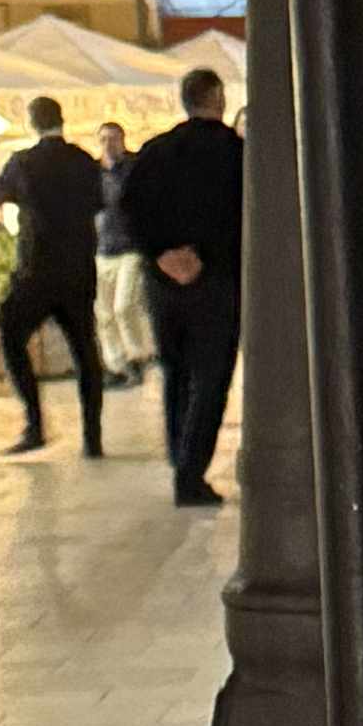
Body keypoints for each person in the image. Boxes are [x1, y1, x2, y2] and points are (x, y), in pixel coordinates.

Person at [119, 65, 245, 506]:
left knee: (175, 373)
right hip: (218, 280)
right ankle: (191, 474)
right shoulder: (236, 153)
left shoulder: (155, 152)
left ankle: (179, 458)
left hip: (163, 284)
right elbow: (243, 216)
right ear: (218, 98)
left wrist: (161, 255)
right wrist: (203, 259)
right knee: (211, 378)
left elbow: (128, 209)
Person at [0, 96, 107, 460]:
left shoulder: (24, 162)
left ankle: (35, 425)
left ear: (32, 123)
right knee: (85, 350)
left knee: (11, 337)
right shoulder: (84, 161)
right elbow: (100, 202)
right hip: (78, 269)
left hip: (36, 269)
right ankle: (92, 438)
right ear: (61, 120)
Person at [93, 121, 152, 387]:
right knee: (104, 313)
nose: (109, 144)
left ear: (122, 140)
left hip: (130, 247)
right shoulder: (94, 173)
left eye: (113, 139)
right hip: (102, 249)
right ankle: (116, 364)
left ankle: (137, 356)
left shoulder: (133, 169)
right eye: (104, 139)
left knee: (124, 306)